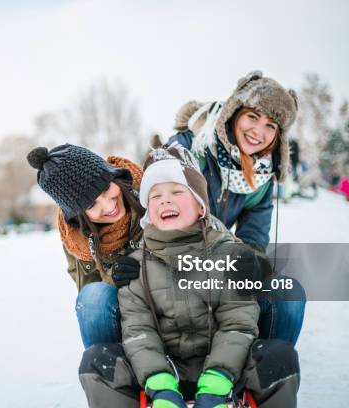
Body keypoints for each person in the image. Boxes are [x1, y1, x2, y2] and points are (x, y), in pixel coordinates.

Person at [79, 145, 300, 408]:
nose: (165, 200)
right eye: (155, 196)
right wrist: (159, 385)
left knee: (278, 356)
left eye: (177, 191)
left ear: (200, 206)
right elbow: (139, 330)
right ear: (148, 214)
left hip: (225, 368)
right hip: (164, 371)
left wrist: (218, 380)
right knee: (98, 360)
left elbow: (238, 323)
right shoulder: (137, 266)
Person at [167, 71, 305, 345]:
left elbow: (253, 241)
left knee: (288, 293)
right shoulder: (191, 147)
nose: (258, 132)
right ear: (235, 113)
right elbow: (162, 217)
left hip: (221, 269)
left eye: (271, 126)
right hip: (174, 264)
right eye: (252, 117)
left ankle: (263, 367)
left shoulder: (263, 178)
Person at [27, 144, 144, 348]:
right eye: (91, 205)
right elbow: (92, 298)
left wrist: (146, 268)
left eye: (106, 188)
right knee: (93, 296)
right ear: (78, 215)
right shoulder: (77, 241)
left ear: (113, 176)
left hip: (170, 305)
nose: (109, 206)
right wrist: (113, 279)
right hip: (128, 318)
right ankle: (109, 367)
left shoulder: (154, 195)